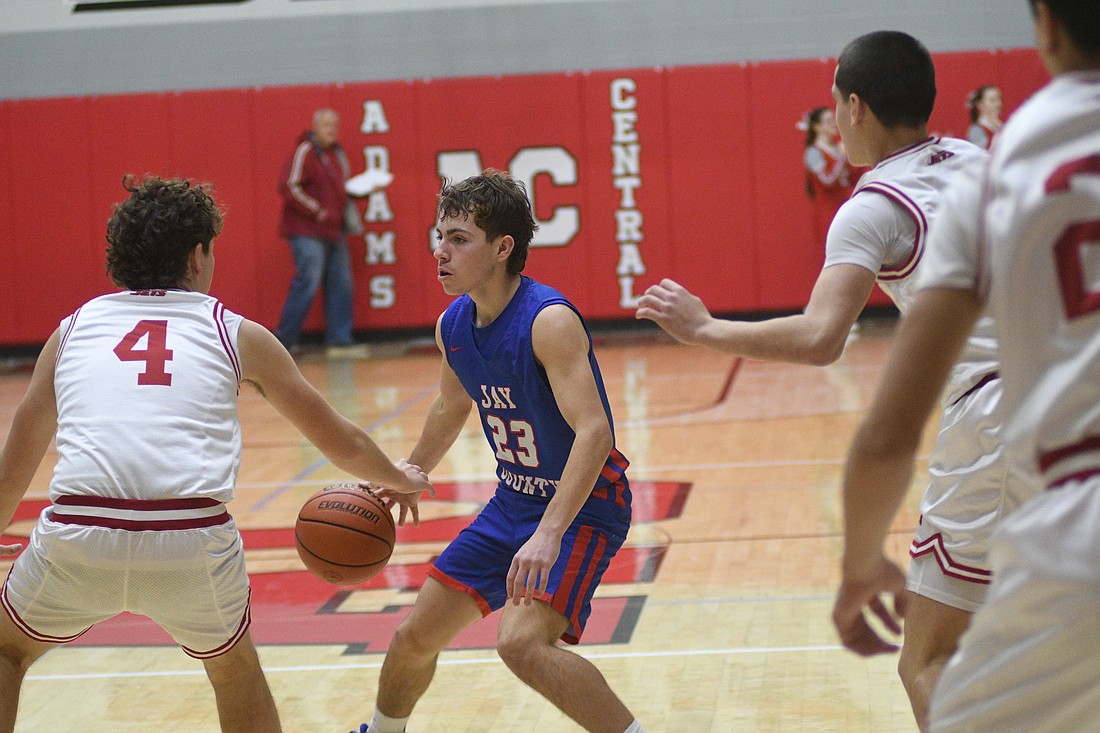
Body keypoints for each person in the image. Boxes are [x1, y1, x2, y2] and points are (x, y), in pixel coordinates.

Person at [636, 31, 1032, 728]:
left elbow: (822, 338)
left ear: (855, 107)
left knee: (931, 660)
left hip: (995, 422)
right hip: (1075, 391)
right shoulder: (981, 158)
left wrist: (704, 330)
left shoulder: (874, 205)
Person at [0, 176, 432, 733]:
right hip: (190, 537)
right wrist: (397, 474)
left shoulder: (72, 331)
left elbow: (18, 460)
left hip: (80, 533)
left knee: (8, 652)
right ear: (197, 253)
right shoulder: (237, 333)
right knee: (234, 673)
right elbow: (339, 440)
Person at [833, 2, 1100, 730]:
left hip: (1014, 428)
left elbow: (878, 418)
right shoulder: (981, 160)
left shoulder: (1003, 170)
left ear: (1044, 24)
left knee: (929, 658)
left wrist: (859, 563)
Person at [350, 170, 645, 733]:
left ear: (503, 247)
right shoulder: (453, 323)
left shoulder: (547, 320)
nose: (441, 251)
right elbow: (449, 406)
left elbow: (595, 433)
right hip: (512, 504)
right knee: (415, 637)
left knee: (520, 645)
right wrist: (412, 471)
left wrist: (549, 532)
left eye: (459, 238)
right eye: (439, 236)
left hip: (582, 508)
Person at [274, 108, 363, 356]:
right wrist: (318, 211)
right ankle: (283, 341)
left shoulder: (335, 154)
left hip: (333, 229)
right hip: (307, 229)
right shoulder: (305, 150)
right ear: (314, 127)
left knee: (341, 282)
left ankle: (339, 340)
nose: (331, 131)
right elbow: (289, 186)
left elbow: (337, 189)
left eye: (335, 126)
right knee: (309, 279)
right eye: (326, 125)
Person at [802, 106, 855, 245]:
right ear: (817, 127)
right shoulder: (813, 151)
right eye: (828, 121)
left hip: (845, 208)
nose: (834, 123)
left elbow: (850, 179)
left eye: (834, 119)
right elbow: (827, 180)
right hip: (829, 213)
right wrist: (843, 157)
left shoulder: (837, 148)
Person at [965, 84, 1003, 150]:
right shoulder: (976, 129)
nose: (998, 104)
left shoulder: (1002, 125)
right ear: (980, 104)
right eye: (992, 100)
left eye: (999, 99)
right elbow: (979, 154)